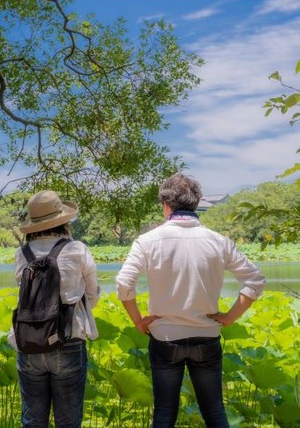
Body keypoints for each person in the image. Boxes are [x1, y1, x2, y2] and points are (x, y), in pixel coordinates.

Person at [115, 173, 266, 428]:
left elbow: (123, 284)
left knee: (164, 413)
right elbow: (255, 280)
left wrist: (138, 320)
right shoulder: (219, 242)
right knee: (215, 412)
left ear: (165, 204)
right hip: (206, 336)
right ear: (196, 203)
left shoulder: (147, 241)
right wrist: (230, 317)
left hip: (164, 337)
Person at [11, 190, 100, 428]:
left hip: (28, 340)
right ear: (63, 221)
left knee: (32, 420)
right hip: (68, 337)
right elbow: (93, 293)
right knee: (68, 422)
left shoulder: (22, 254)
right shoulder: (77, 249)